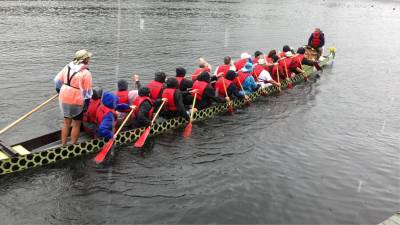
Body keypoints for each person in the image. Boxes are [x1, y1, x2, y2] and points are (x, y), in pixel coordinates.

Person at [54, 49, 93, 146]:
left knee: (66, 122)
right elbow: (87, 92)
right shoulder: (86, 73)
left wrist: (59, 91)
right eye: (88, 58)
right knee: (76, 124)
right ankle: (73, 145)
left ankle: (63, 145)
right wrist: (86, 106)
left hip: (64, 95)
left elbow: (57, 81)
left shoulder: (67, 67)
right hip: (76, 98)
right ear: (85, 60)